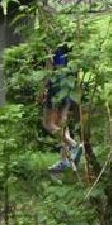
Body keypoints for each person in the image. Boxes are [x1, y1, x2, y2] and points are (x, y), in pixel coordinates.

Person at [43, 44, 83, 175]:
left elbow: (49, 70)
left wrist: (44, 87)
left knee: (49, 124)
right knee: (62, 125)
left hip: (55, 87)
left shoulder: (51, 45)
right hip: (68, 87)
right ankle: (64, 161)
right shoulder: (70, 46)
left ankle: (73, 145)